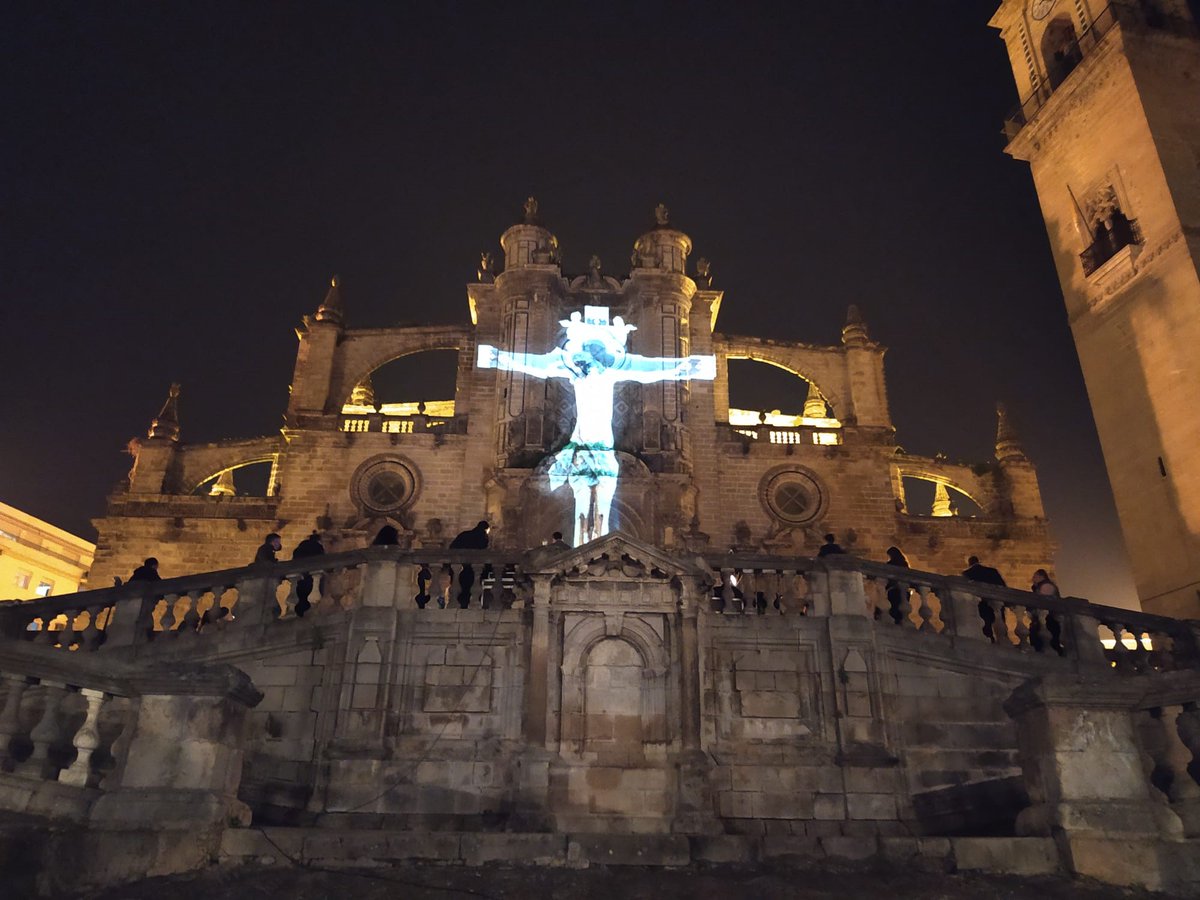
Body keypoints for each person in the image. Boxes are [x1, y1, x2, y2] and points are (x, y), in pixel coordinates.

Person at [962, 555, 1006, 641]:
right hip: (996, 602)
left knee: (986, 628)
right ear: (978, 561)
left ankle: (991, 640)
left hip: (981, 605)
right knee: (1000, 625)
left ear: (969, 563)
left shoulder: (967, 573)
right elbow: (1002, 586)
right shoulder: (992, 571)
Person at [449, 520, 490, 608]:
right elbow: (484, 553)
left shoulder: (464, 535)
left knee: (460, 593)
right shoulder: (482, 537)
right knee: (469, 592)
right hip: (472, 570)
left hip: (460, 569)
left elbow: (452, 549)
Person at [291, 531, 325, 617]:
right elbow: (321, 559)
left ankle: (299, 612)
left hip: (301, 574)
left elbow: (295, 557)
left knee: (301, 594)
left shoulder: (301, 546)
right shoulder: (317, 547)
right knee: (308, 592)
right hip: (310, 574)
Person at [882, 546, 910, 624]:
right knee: (900, 612)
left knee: (893, 609)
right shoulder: (904, 564)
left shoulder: (890, 564)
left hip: (894, 590)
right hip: (904, 590)